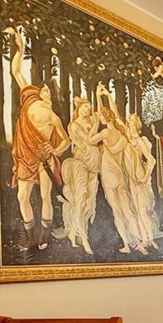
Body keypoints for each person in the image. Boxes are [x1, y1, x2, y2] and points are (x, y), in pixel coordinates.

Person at [6, 27, 70, 250]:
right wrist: (20, 46)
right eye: (45, 90)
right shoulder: (29, 100)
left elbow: (66, 141)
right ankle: (31, 237)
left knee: (45, 195)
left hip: (44, 159)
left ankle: (44, 236)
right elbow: (16, 72)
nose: (46, 93)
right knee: (22, 196)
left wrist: (55, 151)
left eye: (50, 92)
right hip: (26, 157)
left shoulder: (52, 117)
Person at [89, 84, 142, 254]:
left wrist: (95, 124)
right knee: (128, 210)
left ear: (104, 119)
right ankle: (138, 242)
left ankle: (126, 244)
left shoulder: (104, 133)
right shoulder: (121, 132)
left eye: (101, 117)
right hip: (120, 175)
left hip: (109, 175)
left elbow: (90, 140)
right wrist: (103, 96)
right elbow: (114, 112)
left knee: (117, 212)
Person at [56, 96, 100, 254]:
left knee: (88, 202)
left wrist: (99, 96)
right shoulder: (74, 125)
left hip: (94, 165)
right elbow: (89, 139)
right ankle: (84, 238)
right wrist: (96, 124)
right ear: (78, 108)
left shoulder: (91, 121)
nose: (88, 110)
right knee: (80, 200)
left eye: (89, 107)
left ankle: (73, 232)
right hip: (81, 163)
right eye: (85, 106)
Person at [124, 113, 160, 251]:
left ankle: (149, 238)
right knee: (136, 210)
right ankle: (143, 238)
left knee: (143, 210)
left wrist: (145, 178)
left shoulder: (139, 141)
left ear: (136, 126)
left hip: (139, 177)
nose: (130, 125)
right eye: (129, 123)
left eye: (133, 123)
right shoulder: (126, 141)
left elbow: (151, 160)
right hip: (129, 179)